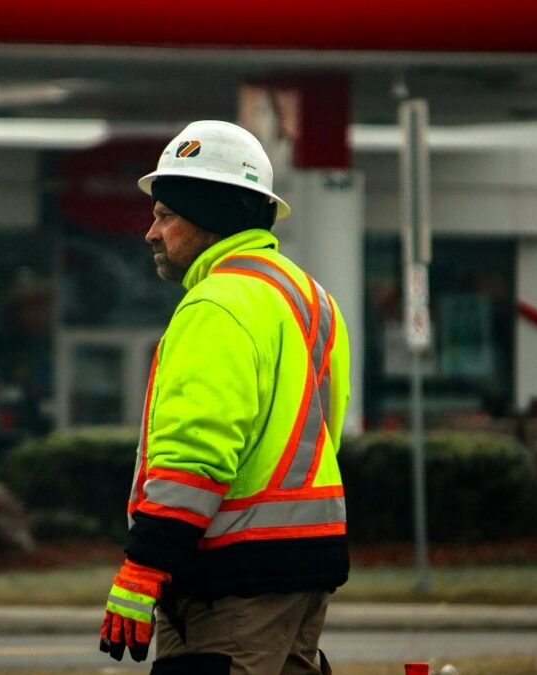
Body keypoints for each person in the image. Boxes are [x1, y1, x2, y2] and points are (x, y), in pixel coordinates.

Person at [99, 120, 351, 675]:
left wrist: (145, 566)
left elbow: (195, 455)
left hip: (231, 577)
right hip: (304, 566)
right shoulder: (310, 297)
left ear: (209, 215)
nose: (151, 232)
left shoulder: (216, 304)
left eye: (165, 215)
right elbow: (324, 433)